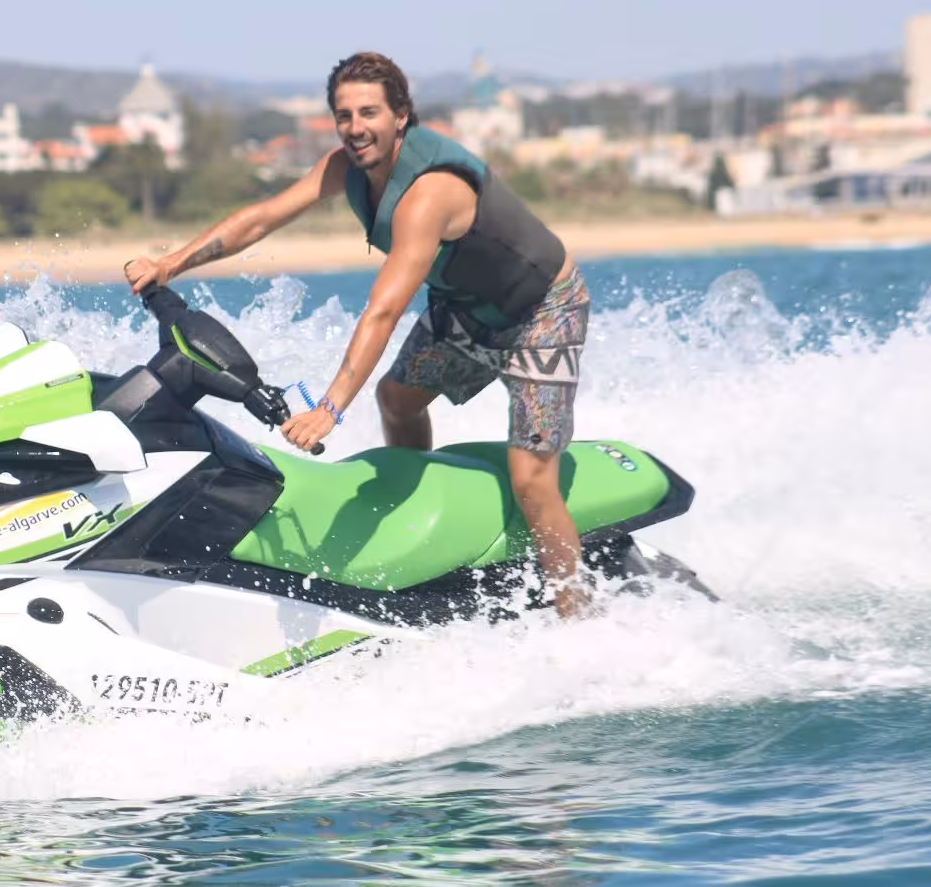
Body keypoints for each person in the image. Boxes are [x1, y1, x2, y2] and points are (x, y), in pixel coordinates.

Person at [123, 51, 592, 618]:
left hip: (541, 313)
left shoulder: (429, 192)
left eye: (368, 112)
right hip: (468, 310)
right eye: (343, 115)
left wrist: (329, 409)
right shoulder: (347, 169)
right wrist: (172, 264)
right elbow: (262, 218)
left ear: (402, 115)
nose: (355, 128)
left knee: (531, 478)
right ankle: (429, 530)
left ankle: (578, 616)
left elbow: (383, 311)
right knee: (398, 400)